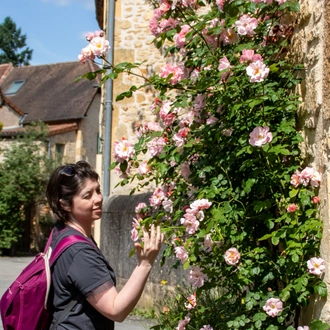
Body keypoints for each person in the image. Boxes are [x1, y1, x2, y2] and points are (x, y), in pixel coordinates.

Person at [46, 160, 163, 329]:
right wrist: (144, 264)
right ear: (64, 204)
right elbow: (116, 309)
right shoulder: (79, 252)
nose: (98, 199)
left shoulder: (60, 233)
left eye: (98, 191)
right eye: (87, 196)